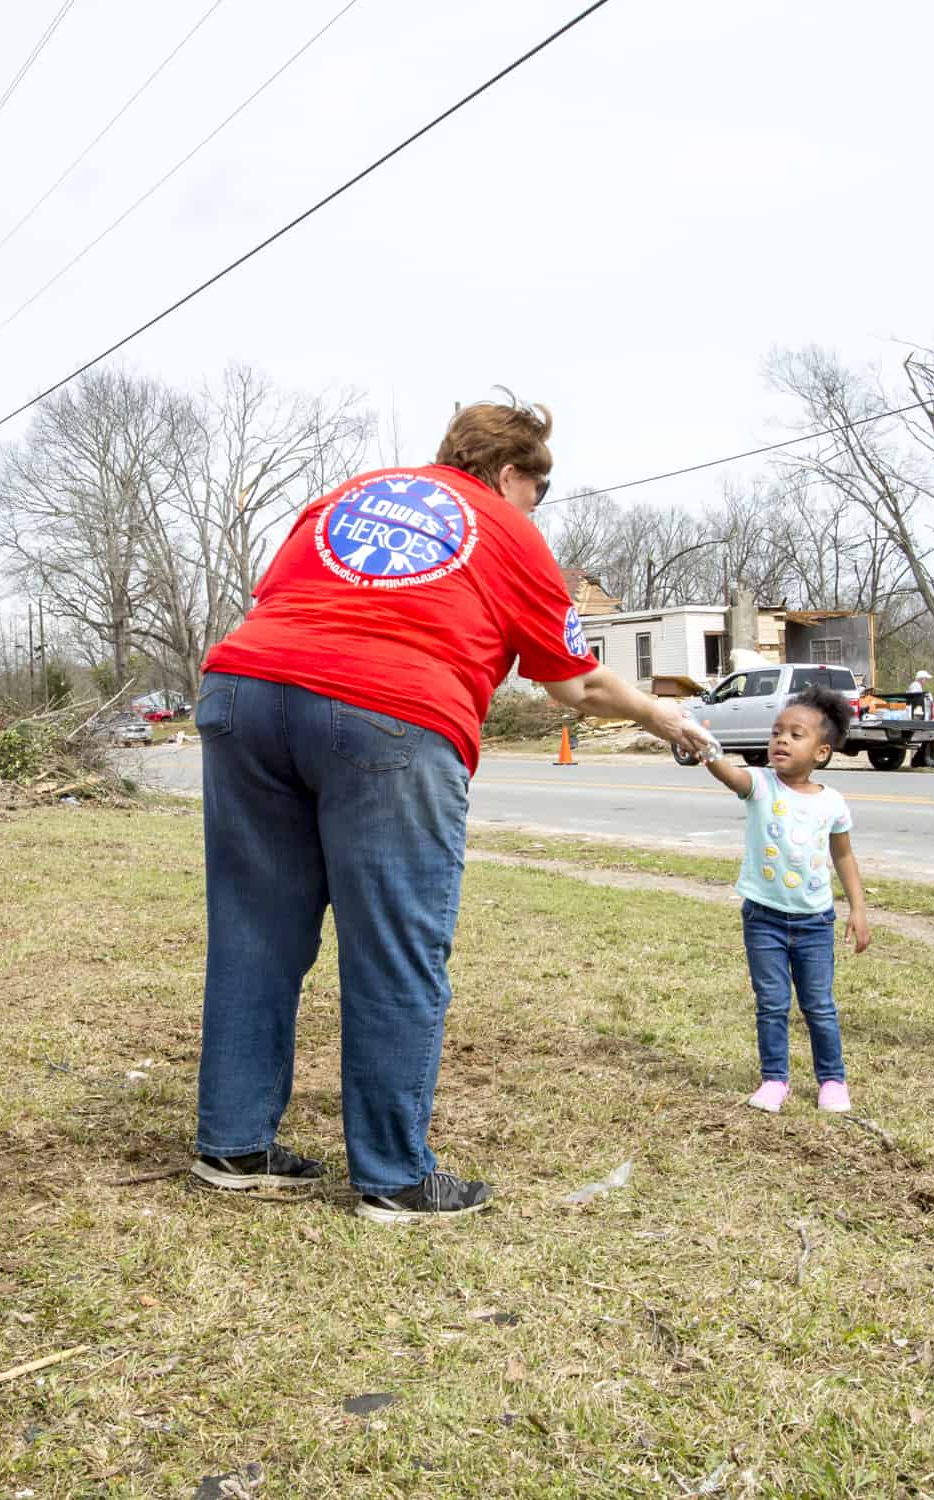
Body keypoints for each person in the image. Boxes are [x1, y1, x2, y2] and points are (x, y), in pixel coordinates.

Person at [190, 398, 718, 1222]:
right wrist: (661, 714)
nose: (531, 510)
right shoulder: (511, 535)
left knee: (256, 927)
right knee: (396, 944)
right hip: (387, 715)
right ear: (511, 475)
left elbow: (282, 601)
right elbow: (571, 685)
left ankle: (234, 1141)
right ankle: (394, 1177)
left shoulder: (347, 495)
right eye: (533, 494)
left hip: (243, 692)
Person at [699, 686, 870, 1113]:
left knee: (819, 1006)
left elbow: (843, 855)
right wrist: (707, 750)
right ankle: (775, 1079)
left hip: (815, 922)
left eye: (796, 734)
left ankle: (832, 1080)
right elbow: (728, 774)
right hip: (764, 919)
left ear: (822, 751)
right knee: (772, 1003)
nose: (781, 740)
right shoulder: (760, 786)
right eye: (777, 732)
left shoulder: (832, 802)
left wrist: (859, 908)